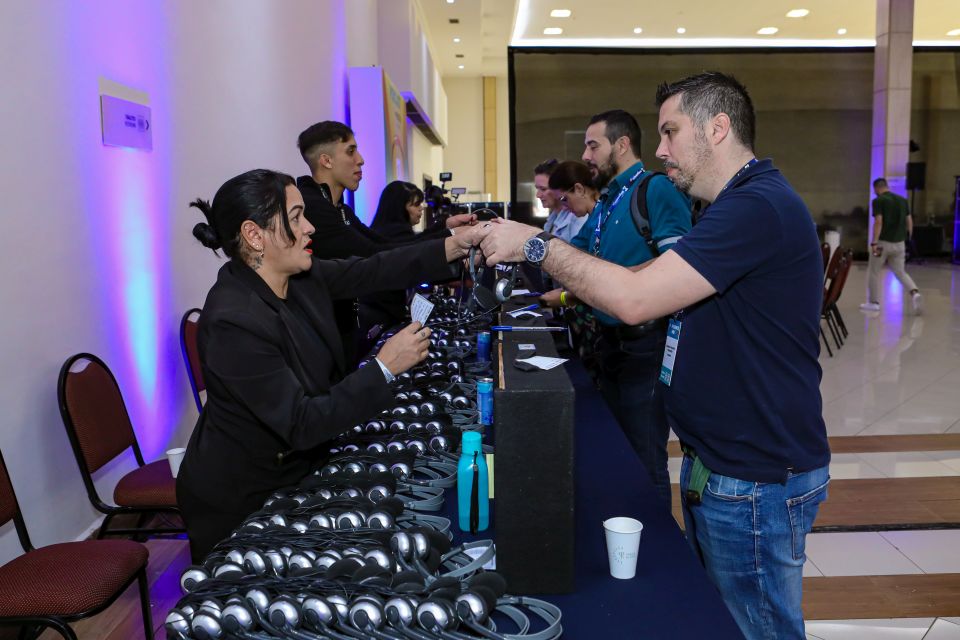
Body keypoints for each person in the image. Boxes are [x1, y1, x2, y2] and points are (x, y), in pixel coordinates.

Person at [477, 72, 830, 640]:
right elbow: (649, 273)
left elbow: (636, 299)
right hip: (724, 463)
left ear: (718, 128)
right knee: (718, 621)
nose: (660, 149)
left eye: (671, 131)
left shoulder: (756, 206)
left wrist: (536, 245)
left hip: (754, 474)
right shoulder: (731, 205)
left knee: (755, 629)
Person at [177, 169, 479, 561]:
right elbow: (301, 423)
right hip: (242, 497)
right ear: (255, 235)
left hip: (298, 471)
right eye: (296, 216)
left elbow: (373, 268)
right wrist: (384, 368)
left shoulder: (301, 276)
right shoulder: (233, 321)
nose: (310, 227)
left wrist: (454, 245)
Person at [560, 109, 693, 511]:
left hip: (646, 345)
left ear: (621, 145)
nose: (586, 155)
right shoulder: (607, 200)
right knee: (618, 447)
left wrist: (615, 280)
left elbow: (679, 265)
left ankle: (655, 539)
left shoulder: (654, 189)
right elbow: (574, 255)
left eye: (593, 145)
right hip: (610, 343)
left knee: (645, 455)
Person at [295, 121, 475, 364]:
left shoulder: (340, 210)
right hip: (322, 340)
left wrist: (447, 231)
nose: (360, 160)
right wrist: (450, 241)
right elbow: (374, 254)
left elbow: (386, 244)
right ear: (326, 161)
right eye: (350, 151)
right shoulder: (314, 208)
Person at [360, 181, 451, 331]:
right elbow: (417, 251)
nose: (421, 208)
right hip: (382, 319)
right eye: (415, 204)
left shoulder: (380, 231)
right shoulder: (395, 236)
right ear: (399, 208)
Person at [860, 177, 922, 314]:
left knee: (874, 272)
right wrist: (908, 238)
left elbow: (878, 222)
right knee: (900, 272)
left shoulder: (878, 201)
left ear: (877, 188)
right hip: (900, 244)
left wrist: (874, 242)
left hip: (882, 244)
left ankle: (873, 303)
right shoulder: (903, 200)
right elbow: (909, 221)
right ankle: (914, 292)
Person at [535, 159, 585, 243]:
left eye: (543, 189)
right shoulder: (552, 218)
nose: (538, 195)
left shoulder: (578, 217)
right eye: (537, 188)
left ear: (559, 188)